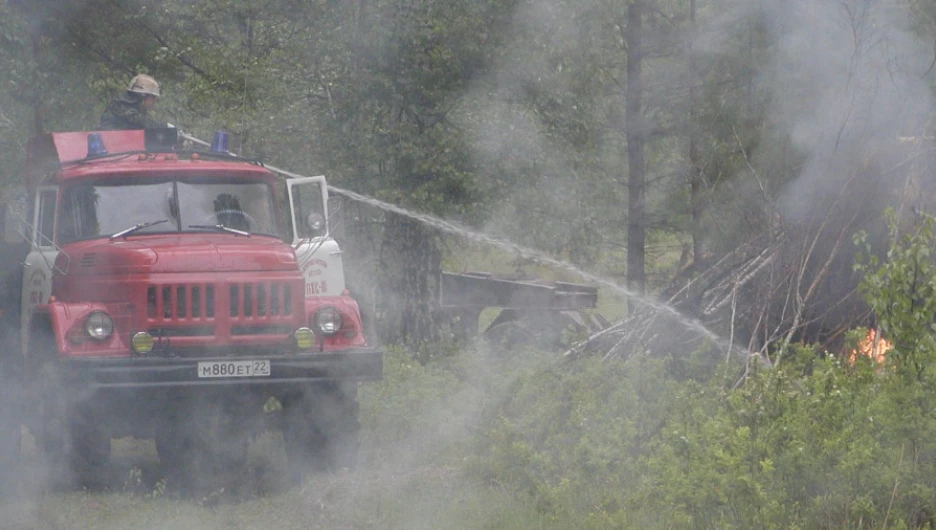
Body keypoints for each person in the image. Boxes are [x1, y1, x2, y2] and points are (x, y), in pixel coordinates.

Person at [99, 74, 166, 130]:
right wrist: (165, 126)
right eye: (153, 97)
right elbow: (140, 120)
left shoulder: (138, 110)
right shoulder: (119, 106)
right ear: (142, 96)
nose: (154, 101)